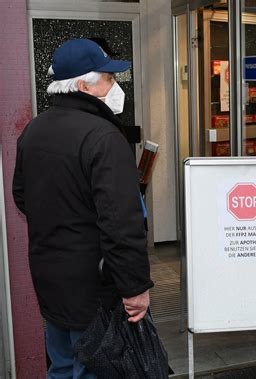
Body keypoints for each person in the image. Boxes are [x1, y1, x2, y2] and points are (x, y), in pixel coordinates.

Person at [12, 39, 154, 379]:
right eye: (108, 78)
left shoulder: (33, 130)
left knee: (61, 366)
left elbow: (22, 197)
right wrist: (134, 287)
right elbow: (121, 221)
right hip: (93, 286)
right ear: (82, 85)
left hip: (50, 278)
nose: (115, 86)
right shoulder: (104, 137)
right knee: (95, 369)